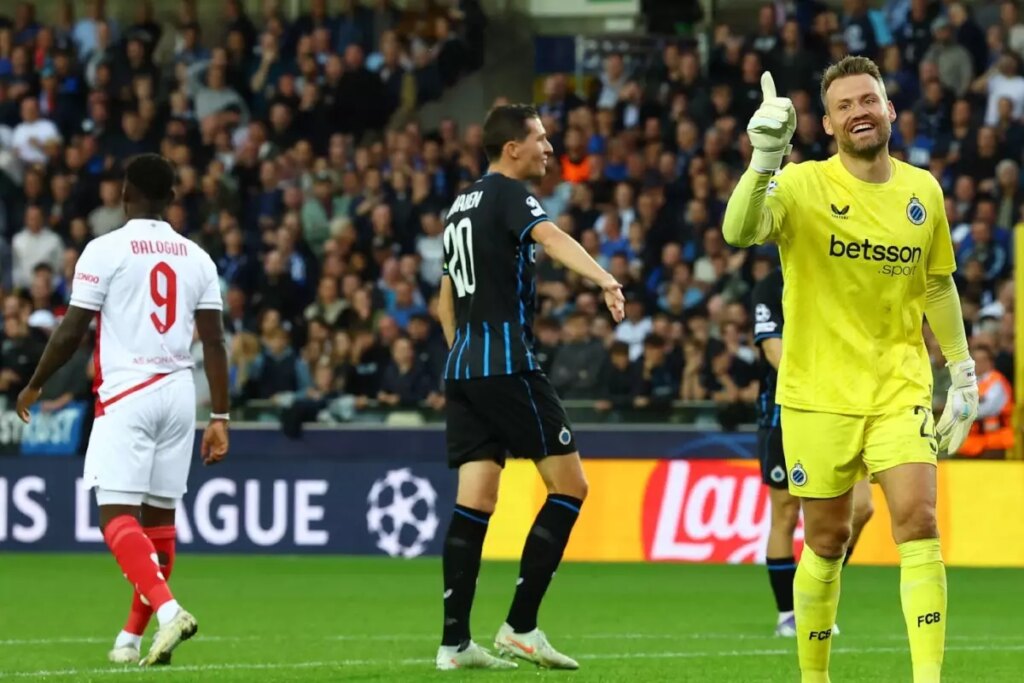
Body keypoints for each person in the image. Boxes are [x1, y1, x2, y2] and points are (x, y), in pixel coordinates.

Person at [723, 57, 979, 683]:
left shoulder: (923, 191)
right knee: (827, 539)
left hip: (899, 388)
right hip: (817, 395)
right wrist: (763, 160)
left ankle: (928, 678)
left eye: (868, 100)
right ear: (828, 124)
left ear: (889, 109)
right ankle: (814, 677)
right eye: (844, 105)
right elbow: (738, 231)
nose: (859, 112)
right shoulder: (801, 184)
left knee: (918, 520)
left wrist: (962, 370)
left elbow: (938, 284)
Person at [15, 154, 230, 667]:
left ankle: (169, 611)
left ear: (125, 193)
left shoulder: (104, 249)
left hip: (128, 393)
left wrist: (35, 383)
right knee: (159, 525)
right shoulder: (198, 258)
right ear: (171, 198)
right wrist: (220, 417)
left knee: (115, 517)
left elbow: (72, 329)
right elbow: (215, 342)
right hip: (179, 394)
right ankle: (131, 639)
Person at [435, 104, 624, 671]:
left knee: (475, 501)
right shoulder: (509, 193)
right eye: (539, 138)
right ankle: (520, 627)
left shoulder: (459, 205)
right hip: (507, 365)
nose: (549, 147)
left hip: (464, 370)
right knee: (570, 486)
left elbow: (445, 299)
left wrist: (464, 355)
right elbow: (552, 237)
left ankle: (454, 644)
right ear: (511, 148)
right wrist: (605, 278)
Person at [752, 266, 875, 637]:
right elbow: (772, 348)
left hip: (846, 406)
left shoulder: (838, 272)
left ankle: (816, 594)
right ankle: (788, 614)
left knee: (862, 508)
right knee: (786, 512)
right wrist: (820, 381)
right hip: (785, 411)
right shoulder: (773, 285)